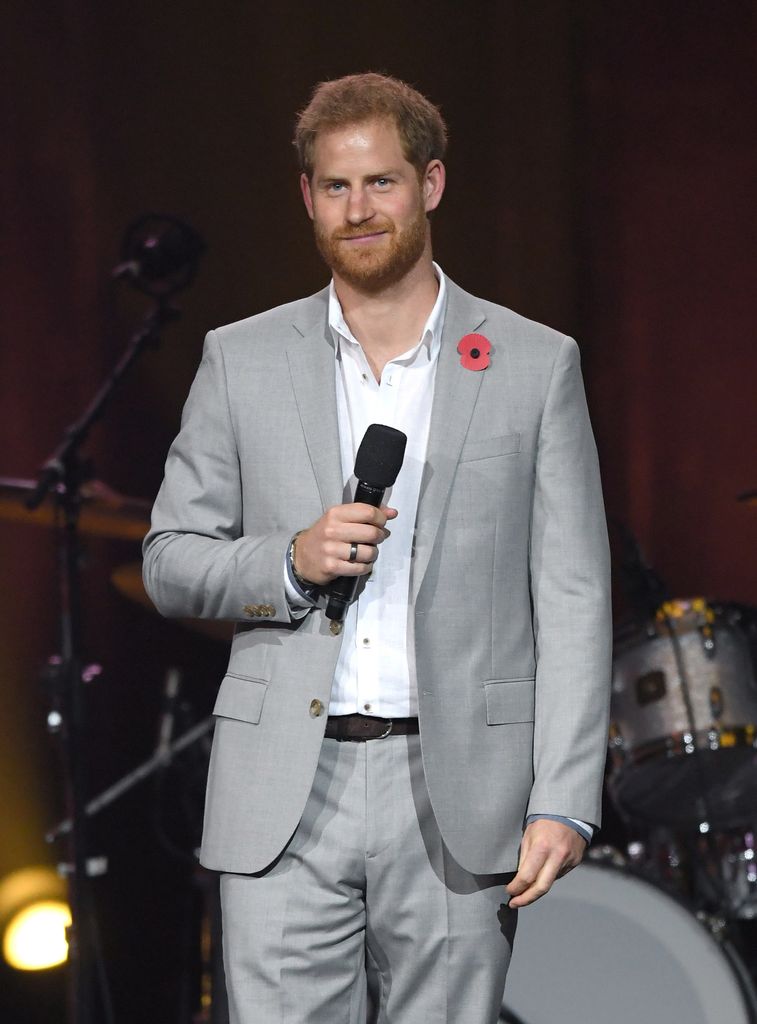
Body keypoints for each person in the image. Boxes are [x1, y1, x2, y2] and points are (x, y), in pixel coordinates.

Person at [142, 72, 612, 1024]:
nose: (358, 211)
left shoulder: (531, 362)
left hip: (455, 793)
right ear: (307, 198)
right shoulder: (242, 357)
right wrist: (287, 560)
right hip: (282, 787)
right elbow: (170, 558)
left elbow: (571, 594)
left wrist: (563, 797)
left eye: (381, 183)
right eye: (334, 187)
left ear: (430, 185)